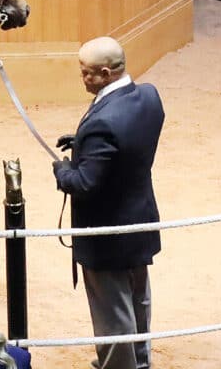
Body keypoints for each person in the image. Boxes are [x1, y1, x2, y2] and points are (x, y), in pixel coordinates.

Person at [53, 37, 164, 369]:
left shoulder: (103, 123)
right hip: (139, 221)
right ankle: (140, 363)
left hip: (107, 237)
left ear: (104, 73)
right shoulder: (149, 97)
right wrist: (84, 145)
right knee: (138, 301)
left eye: (86, 73)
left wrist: (63, 169)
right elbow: (126, 141)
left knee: (113, 314)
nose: (83, 78)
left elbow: (84, 183)